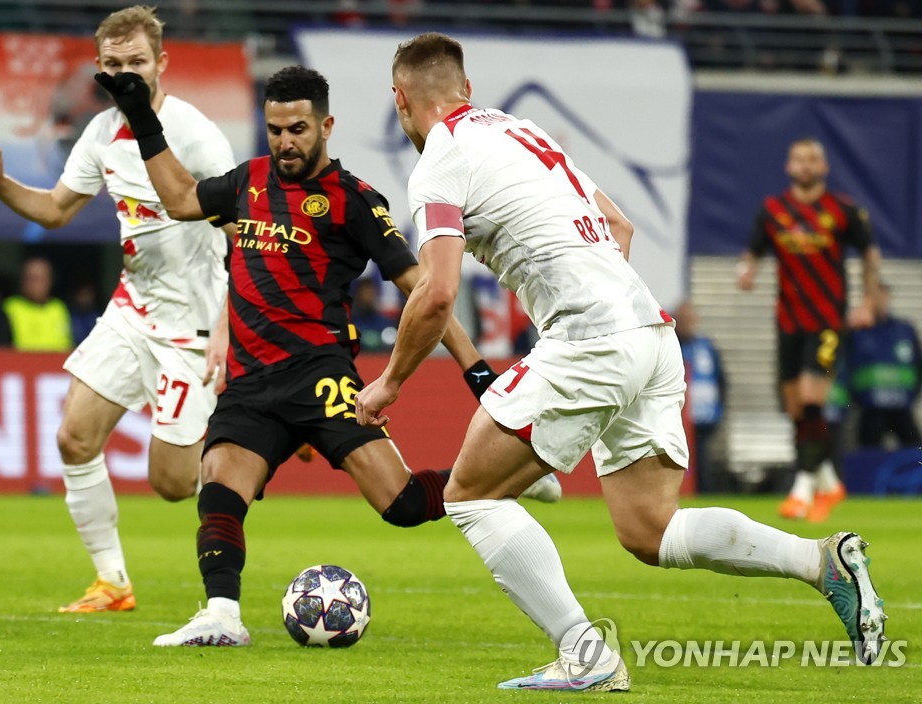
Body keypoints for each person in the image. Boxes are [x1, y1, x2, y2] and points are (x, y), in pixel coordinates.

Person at [355, 32, 886, 691]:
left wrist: (388, 383)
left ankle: (586, 654)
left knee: (469, 496)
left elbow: (434, 292)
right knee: (651, 529)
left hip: (594, 337)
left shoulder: (441, 157)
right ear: (467, 89)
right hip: (649, 331)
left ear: (400, 99)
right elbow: (621, 229)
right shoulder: (524, 134)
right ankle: (821, 561)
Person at [97, 63, 562, 648]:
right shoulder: (248, 182)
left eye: (297, 129)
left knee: (403, 505)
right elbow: (182, 197)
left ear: (326, 125)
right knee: (217, 481)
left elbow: (426, 293)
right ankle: (221, 614)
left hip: (321, 376)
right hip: (251, 382)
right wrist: (142, 116)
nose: (285, 142)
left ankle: (507, 477)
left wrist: (479, 378)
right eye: (275, 130)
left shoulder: (354, 201)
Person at [0, 5, 237, 613]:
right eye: (114, 65)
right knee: (73, 437)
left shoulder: (195, 134)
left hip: (193, 325)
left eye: (136, 62)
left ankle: (253, 436)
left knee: (170, 485)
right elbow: (58, 210)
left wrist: (226, 324)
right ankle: (112, 582)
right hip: (132, 310)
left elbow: (248, 230)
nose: (126, 74)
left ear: (161, 63)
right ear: (99, 69)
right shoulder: (100, 133)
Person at [737, 137, 882, 522]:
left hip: (827, 319)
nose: (806, 166)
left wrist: (867, 302)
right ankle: (830, 481)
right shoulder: (773, 210)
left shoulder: (843, 209)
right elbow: (754, 249)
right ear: (789, 167)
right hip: (787, 320)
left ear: (824, 167)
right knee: (796, 407)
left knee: (811, 394)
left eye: (813, 159)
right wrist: (747, 269)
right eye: (799, 160)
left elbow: (869, 252)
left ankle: (802, 488)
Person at [844, 282, 922, 448]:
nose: (878, 301)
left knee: (914, 454)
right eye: (873, 297)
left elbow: (917, 365)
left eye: (881, 295)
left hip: (901, 408)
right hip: (871, 409)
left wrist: (911, 395)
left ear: (887, 297)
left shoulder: (904, 330)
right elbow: (846, 367)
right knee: (868, 457)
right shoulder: (857, 332)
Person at [674, 299, 727, 493]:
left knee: (703, 457)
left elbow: (721, 380)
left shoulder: (706, 346)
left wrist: (720, 408)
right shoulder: (671, 345)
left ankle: (704, 491)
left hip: (705, 414)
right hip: (680, 415)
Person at [2, 256, 73, 352]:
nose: (37, 284)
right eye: (32, 278)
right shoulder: (10, 307)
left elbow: (68, 345)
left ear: (50, 281)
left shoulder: (58, 307)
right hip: (20, 364)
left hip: (56, 364)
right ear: (23, 280)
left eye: (42, 278)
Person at [350, 277, 399, 352]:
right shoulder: (351, 322)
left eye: (370, 292)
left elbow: (391, 343)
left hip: (381, 360)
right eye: (364, 293)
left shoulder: (386, 323)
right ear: (358, 295)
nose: (368, 296)